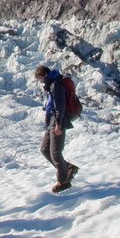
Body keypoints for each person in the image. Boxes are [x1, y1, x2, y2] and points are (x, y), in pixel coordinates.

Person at [33, 64, 78, 193]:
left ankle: (63, 181)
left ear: (45, 75)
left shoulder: (56, 85)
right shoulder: (51, 85)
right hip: (51, 122)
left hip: (57, 122)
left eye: (40, 78)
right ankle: (68, 168)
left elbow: (60, 105)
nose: (40, 81)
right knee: (44, 149)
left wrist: (59, 123)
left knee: (55, 152)